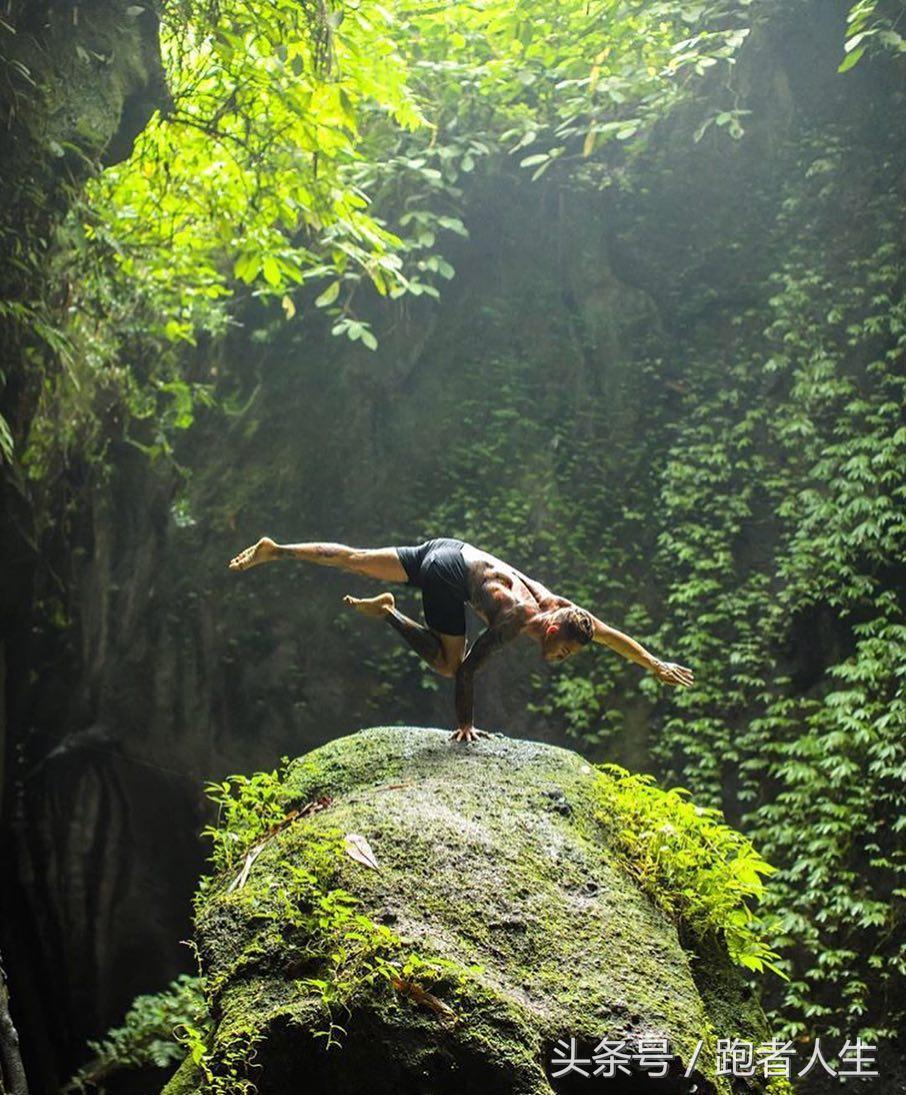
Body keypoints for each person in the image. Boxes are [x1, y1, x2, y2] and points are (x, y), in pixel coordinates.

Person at [228, 535, 694, 743]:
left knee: (355, 559)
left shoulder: (563, 608)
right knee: (450, 664)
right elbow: (468, 671)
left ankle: (277, 550)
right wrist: (465, 725)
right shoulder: (518, 617)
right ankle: (388, 611)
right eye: (565, 651)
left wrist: (653, 664)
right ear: (553, 631)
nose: (563, 657)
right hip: (449, 576)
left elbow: (610, 636)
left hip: (449, 548)